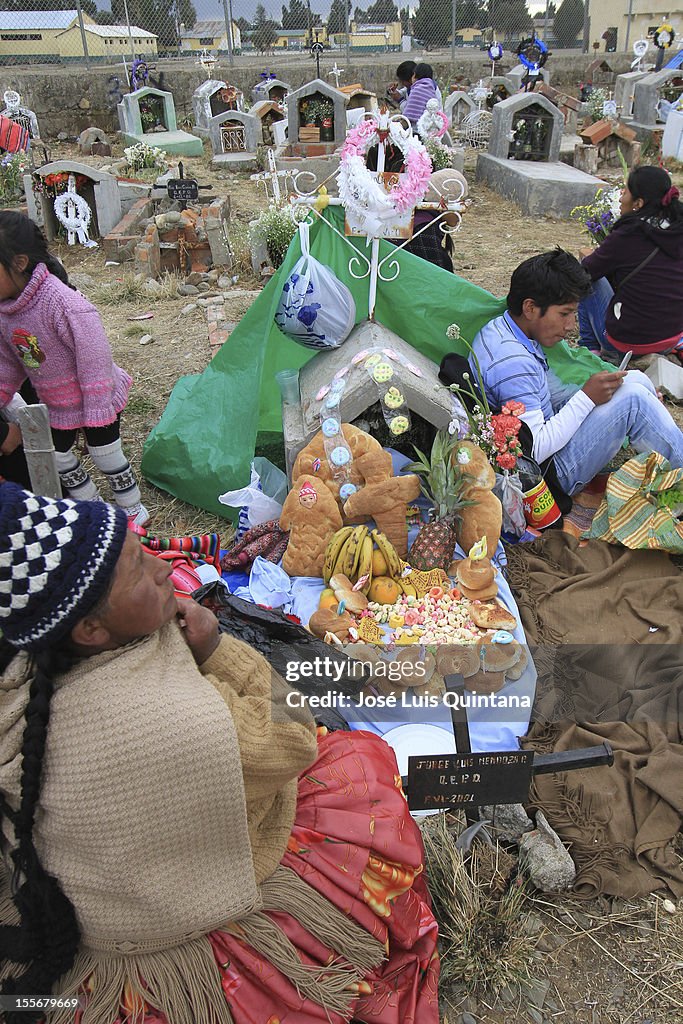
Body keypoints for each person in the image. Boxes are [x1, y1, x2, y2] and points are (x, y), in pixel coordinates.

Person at [0, 482, 440, 1024]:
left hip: (89, 902)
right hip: (169, 939)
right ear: (90, 629)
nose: (164, 569)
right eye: (139, 569)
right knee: (362, 768)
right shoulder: (177, 721)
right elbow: (294, 732)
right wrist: (216, 648)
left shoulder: (26, 673)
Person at [470, 249, 683, 496]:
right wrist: (586, 398)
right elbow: (535, 450)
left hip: (544, 441)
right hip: (546, 479)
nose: (571, 326)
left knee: (634, 380)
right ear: (530, 307)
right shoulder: (513, 363)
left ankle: (666, 469)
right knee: (633, 401)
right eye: (564, 313)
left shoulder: (503, 328)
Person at [0, 211, 148, 524]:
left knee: (105, 455)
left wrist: (97, 408)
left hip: (97, 394)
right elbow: (9, 362)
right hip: (56, 402)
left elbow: (94, 355)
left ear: (20, 262)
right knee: (59, 457)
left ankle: (134, 510)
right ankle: (93, 507)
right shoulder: (6, 311)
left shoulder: (61, 303)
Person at [578, 166, 683, 364]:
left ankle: (591, 350)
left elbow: (587, 270)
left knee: (585, 275)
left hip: (629, 343)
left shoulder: (630, 234)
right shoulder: (677, 229)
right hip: (671, 337)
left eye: (625, 191)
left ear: (639, 203)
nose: (620, 198)